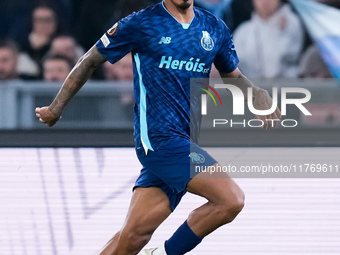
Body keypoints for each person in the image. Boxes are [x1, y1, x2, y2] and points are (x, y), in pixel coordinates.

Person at [35, 1, 281, 254]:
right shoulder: (142, 23)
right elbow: (88, 60)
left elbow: (232, 74)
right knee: (231, 200)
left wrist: (256, 93)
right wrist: (56, 108)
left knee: (132, 238)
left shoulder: (214, 27)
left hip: (185, 141)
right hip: (158, 140)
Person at [233, 0, 304, 78]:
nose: (265, 2)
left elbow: (288, 59)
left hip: (286, 85)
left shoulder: (291, 23)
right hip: (251, 86)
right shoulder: (243, 31)